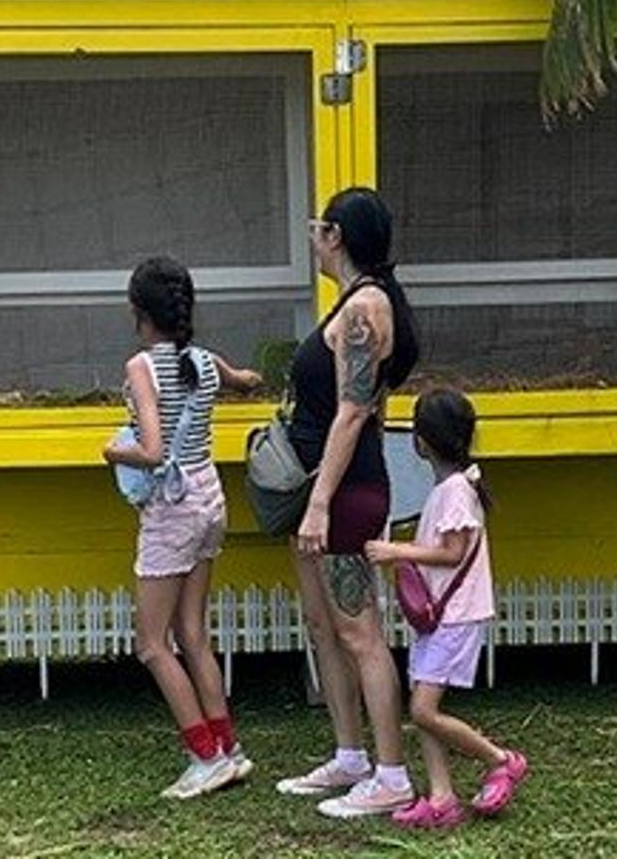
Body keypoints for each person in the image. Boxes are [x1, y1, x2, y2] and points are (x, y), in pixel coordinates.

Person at [273, 187, 421, 819]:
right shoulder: (352, 300)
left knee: (360, 633)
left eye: (317, 227)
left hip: (346, 492)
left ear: (335, 236)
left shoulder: (365, 308)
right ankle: (350, 755)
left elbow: (355, 411)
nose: (312, 238)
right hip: (320, 489)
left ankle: (392, 774)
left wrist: (321, 503)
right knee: (323, 624)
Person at [102, 256, 264, 800]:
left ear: (138, 310)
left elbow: (151, 451)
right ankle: (229, 748)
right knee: (192, 632)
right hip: (209, 497)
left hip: (172, 509)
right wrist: (248, 379)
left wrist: (112, 451)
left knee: (152, 643)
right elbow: (243, 380)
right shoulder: (203, 360)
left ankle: (204, 756)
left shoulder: (141, 367)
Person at [365, 388, 526, 829]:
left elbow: (453, 553)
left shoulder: (454, 490)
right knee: (423, 707)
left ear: (422, 441)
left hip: (456, 615)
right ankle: (441, 796)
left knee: (422, 709)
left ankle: (501, 760)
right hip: (441, 615)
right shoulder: (452, 487)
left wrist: (397, 551)